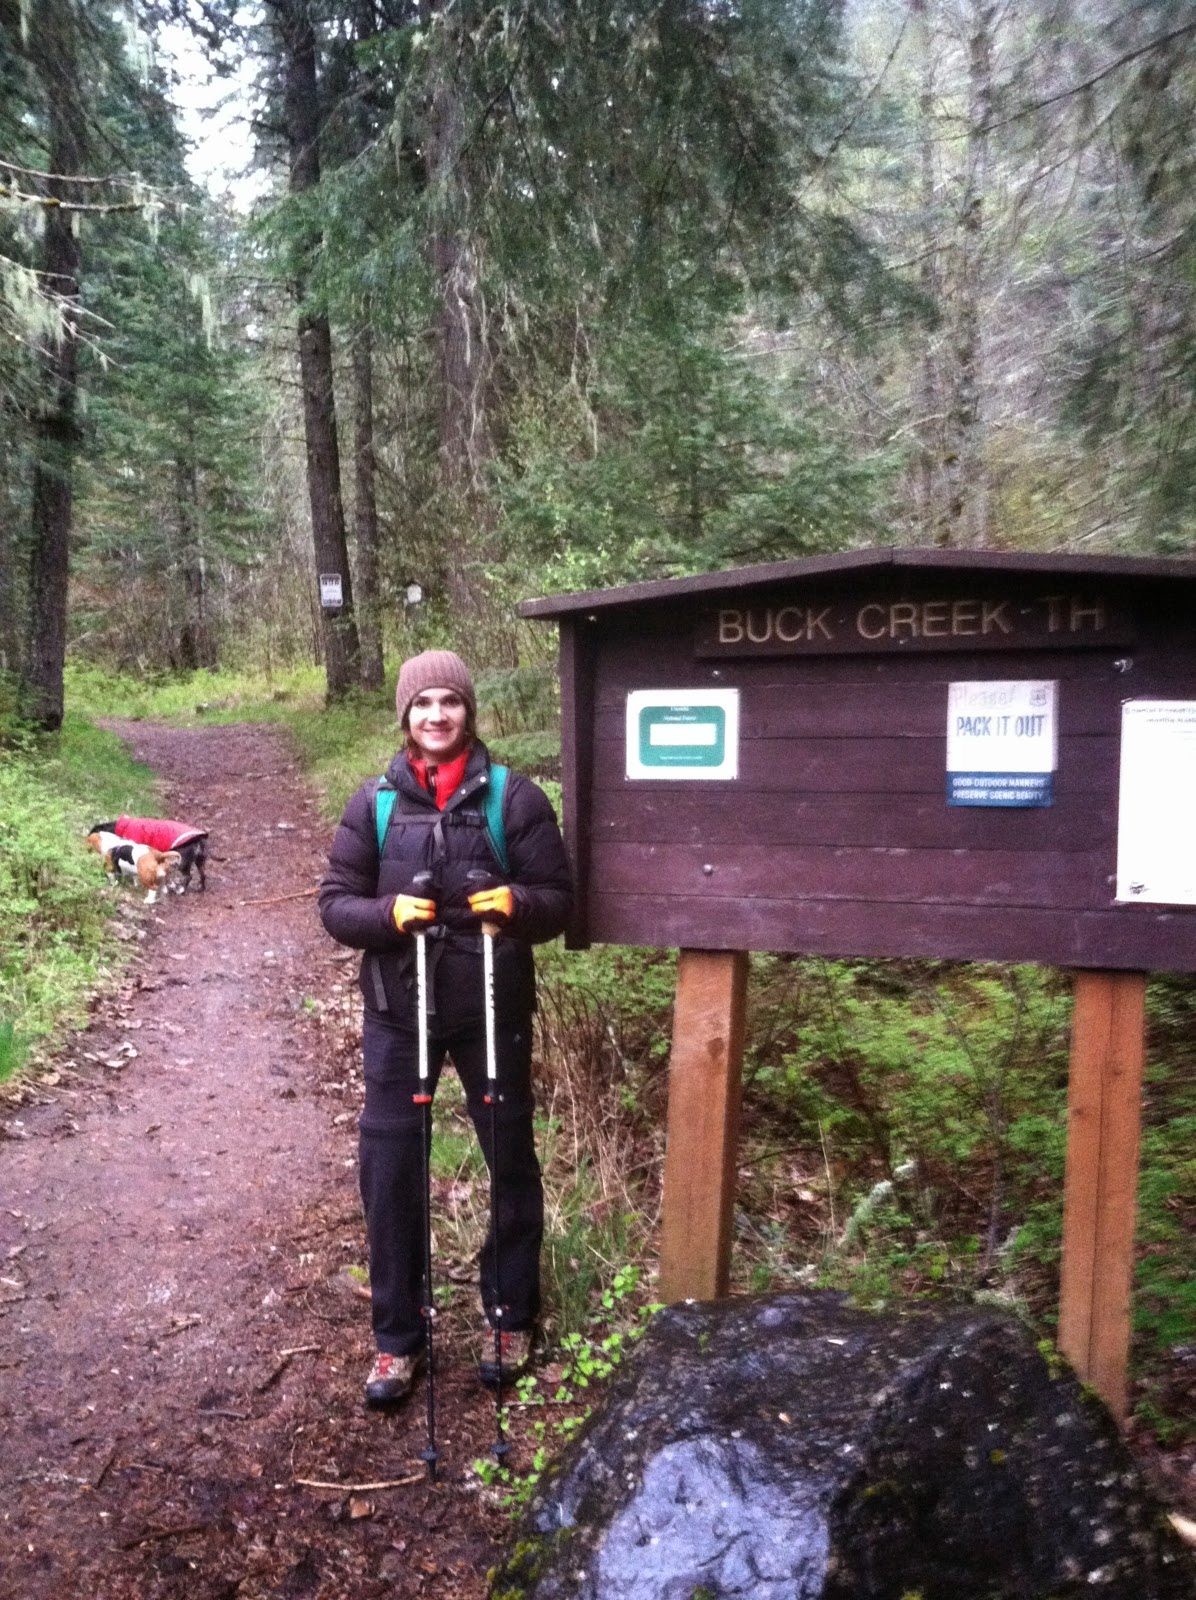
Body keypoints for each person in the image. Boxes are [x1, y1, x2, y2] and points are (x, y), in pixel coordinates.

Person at [318, 649, 573, 1408]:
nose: (437, 715)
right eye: (423, 703)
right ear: (405, 716)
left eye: (450, 702)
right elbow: (335, 904)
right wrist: (387, 917)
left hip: (492, 1012)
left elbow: (558, 900)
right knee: (390, 1173)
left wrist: (516, 905)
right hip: (399, 1015)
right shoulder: (375, 805)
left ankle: (509, 1314)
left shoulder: (514, 800)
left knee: (510, 1162)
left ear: (469, 711)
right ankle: (398, 1338)